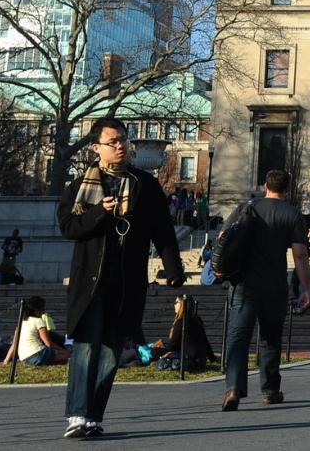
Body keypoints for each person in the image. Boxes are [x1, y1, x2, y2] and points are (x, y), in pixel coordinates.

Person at [58, 117, 184, 439]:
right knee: (87, 346)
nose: (120, 146)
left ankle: (94, 415)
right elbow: (69, 228)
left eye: (124, 140)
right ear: (95, 148)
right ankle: (77, 414)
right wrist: (100, 211)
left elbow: (163, 231)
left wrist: (173, 269)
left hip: (126, 281)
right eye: (113, 141)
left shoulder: (145, 184)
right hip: (90, 280)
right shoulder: (78, 188)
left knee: (112, 350)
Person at [221, 169, 310, 411]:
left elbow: (223, 235)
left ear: (265, 185)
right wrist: (305, 288)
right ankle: (270, 390)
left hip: (243, 284)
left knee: (238, 337)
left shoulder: (247, 208)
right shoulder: (293, 214)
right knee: (270, 338)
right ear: (287, 188)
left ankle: (233, 388)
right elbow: (300, 254)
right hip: (274, 285)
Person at [147, 295, 214, 371]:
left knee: (153, 351)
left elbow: (172, 346)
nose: (174, 305)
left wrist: (157, 350)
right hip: (200, 361)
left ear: (182, 303)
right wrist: (212, 358)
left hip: (189, 360)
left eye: (176, 302)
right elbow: (205, 341)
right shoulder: (197, 319)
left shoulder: (180, 322)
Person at [8, 295, 71, 365]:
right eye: (42, 309)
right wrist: (64, 351)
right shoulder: (38, 321)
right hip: (38, 354)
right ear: (36, 310)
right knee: (68, 355)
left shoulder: (21, 322)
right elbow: (49, 344)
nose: (43, 312)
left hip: (25, 359)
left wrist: (6, 360)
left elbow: (14, 344)